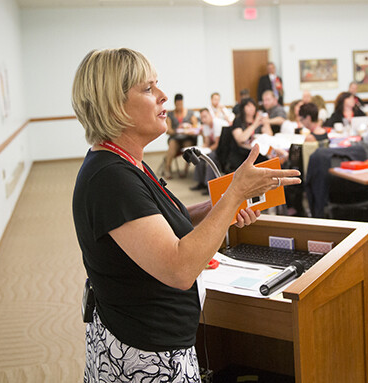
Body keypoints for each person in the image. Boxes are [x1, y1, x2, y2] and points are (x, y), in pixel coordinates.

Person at [71, 48, 299, 382]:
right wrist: (234, 192)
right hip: (142, 355)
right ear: (113, 104)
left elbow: (160, 222)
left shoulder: (126, 162)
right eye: (148, 89)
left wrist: (219, 207)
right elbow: (179, 269)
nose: (163, 96)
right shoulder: (110, 178)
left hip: (155, 340)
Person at [305, 98, 368, 218]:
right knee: (324, 158)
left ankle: (320, 210)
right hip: (367, 159)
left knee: (323, 157)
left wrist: (364, 133)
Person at [227, 98, 273, 172]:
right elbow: (241, 139)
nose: (251, 108)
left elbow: (269, 136)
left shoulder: (258, 119)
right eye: (248, 106)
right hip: (241, 154)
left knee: (272, 157)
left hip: (258, 151)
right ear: (243, 108)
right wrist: (255, 124)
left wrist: (266, 122)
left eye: (253, 106)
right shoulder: (238, 120)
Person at [165, 93, 199, 179]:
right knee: (172, 145)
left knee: (188, 146)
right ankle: (167, 168)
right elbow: (168, 130)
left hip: (188, 138)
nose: (179, 106)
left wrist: (189, 128)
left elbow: (196, 127)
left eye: (181, 104)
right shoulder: (170, 114)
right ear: (175, 103)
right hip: (176, 138)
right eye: (177, 104)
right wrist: (177, 130)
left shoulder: (190, 113)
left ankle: (185, 169)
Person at [190, 108, 223, 193]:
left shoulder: (217, 123)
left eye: (205, 117)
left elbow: (217, 144)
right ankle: (201, 182)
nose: (203, 120)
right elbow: (207, 142)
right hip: (213, 147)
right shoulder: (206, 125)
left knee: (211, 156)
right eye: (202, 118)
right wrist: (200, 149)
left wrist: (207, 149)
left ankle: (209, 186)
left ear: (210, 115)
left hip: (222, 148)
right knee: (200, 155)